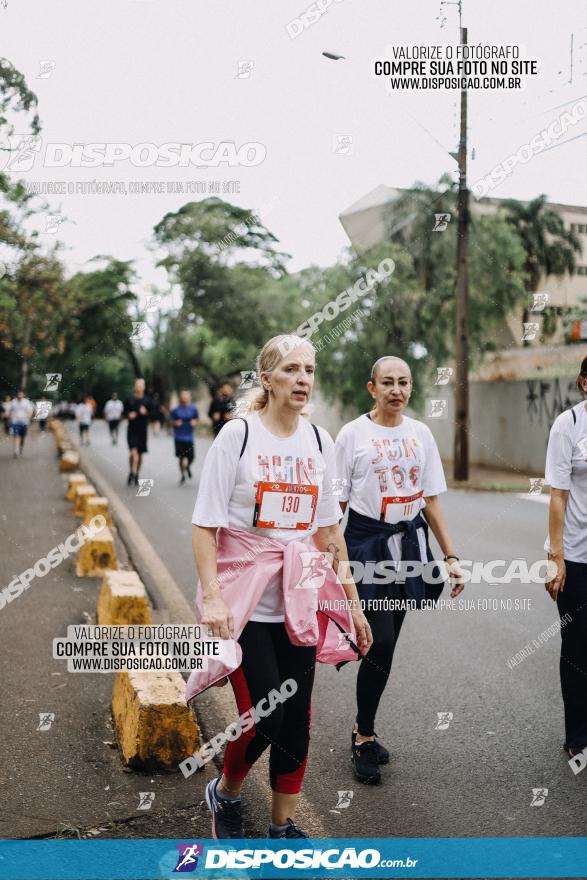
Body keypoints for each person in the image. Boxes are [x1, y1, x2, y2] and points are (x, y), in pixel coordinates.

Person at [188, 334, 373, 840]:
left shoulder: (319, 441)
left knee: (297, 720)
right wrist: (213, 598)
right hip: (244, 602)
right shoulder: (239, 436)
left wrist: (354, 608)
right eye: (291, 369)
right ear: (266, 379)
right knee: (265, 716)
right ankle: (224, 793)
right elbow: (205, 524)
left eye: (309, 369)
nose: (303, 379)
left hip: (301, 595)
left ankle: (281, 823)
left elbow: (329, 531)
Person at [335, 356, 465, 785]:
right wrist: (328, 559)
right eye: (387, 382)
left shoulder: (420, 433)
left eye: (403, 382)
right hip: (364, 545)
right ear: (371, 387)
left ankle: (363, 726)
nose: (396, 389)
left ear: (411, 388)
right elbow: (335, 505)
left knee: (388, 644)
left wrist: (450, 557)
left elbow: (430, 500)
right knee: (380, 639)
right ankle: (364, 736)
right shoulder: (353, 435)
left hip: (408, 545)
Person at [544, 355, 587, 760]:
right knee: (577, 645)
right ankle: (578, 733)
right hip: (577, 555)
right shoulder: (569, 425)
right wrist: (556, 557)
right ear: (584, 382)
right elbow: (557, 493)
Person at [123, 378, 152, 486]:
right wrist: (128, 415)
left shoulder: (148, 401)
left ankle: (137, 474)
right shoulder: (129, 399)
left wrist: (146, 413)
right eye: (138, 385)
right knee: (133, 452)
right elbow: (124, 412)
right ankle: (131, 470)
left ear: (144, 387)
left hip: (142, 431)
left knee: (140, 455)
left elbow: (154, 415)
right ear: (135, 387)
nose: (139, 387)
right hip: (132, 430)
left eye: (141, 385)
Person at [170, 390, 199, 484]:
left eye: (186, 397)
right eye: (183, 397)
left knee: (192, 457)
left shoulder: (193, 409)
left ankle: (187, 467)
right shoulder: (175, 410)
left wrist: (195, 422)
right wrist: (175, 423)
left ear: (189, 398)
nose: (184, 399)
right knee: (181, 458)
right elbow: (170, 421)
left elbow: (197, 419)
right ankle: (182, 475)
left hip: (189, 437)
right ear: (180, 398)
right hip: (178, 437)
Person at [8, 390, 34, 458]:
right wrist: (9, 418)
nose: (19, 396)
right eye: (18, 394)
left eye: (21, 395)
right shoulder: (13, 402)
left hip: (24, 422)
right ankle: (16, 451)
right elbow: (10, 411)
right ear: (17, 395)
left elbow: (30, 411)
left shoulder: (26, 402)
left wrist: (28, 418)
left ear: (23, 395)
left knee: (22, 437)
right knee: (16, 436)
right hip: (15, 421)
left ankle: (20, 448)